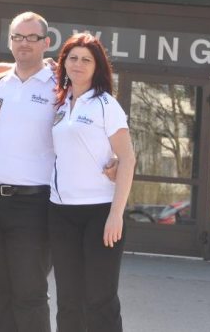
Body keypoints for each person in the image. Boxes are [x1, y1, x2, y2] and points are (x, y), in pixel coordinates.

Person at [0, 11, 57, 332]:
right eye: (18, 37)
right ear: (9, 42)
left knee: (29, 291)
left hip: (33, 204)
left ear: (46, 43)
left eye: (32, 37)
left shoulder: (59, 85)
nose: (24, 43)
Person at [49, 33, 135, 332]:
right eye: (73, 58)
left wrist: (116, 215)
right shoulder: (60, 105)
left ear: (97, 67)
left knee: (100, 299)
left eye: (86, 59)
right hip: (61, 213)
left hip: (100, 212)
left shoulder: (105, 104)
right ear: (64, 63)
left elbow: (128, 158)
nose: (78, 64)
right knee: (68, 301)